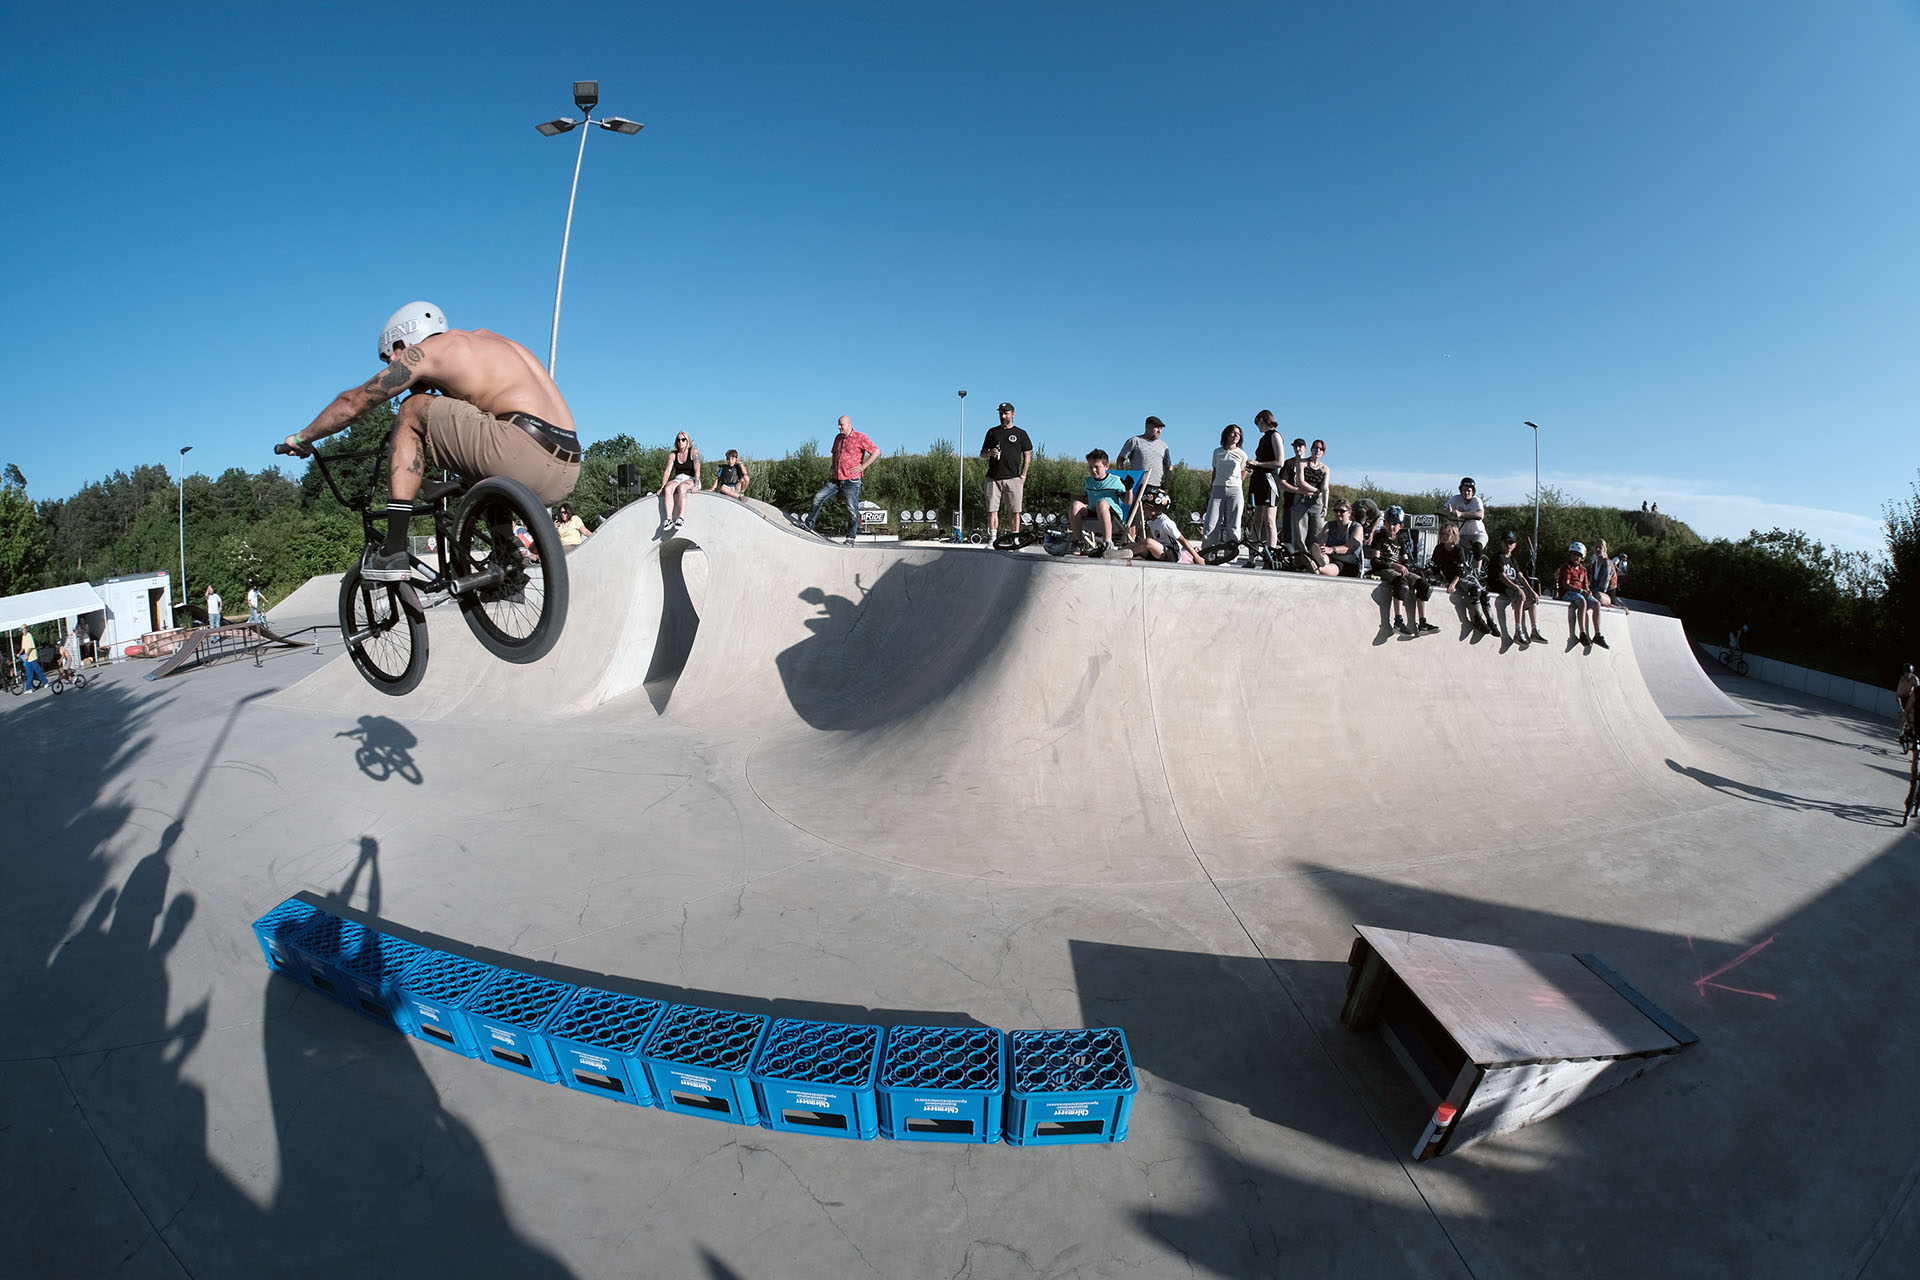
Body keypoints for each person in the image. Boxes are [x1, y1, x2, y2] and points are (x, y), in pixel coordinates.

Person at [279, 301, 580, 582]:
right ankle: (507, 558)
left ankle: (394, 548)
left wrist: (302, 437)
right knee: (473, 423)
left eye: (389, 358)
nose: (391, 364)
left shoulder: (426, 352)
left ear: (401, 343)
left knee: (412, 409)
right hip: (567, 467)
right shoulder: (493, 343)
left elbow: (351, 404)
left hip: (519, 450)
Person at [805, 415, 878, 545]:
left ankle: (851, 537)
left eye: (841, 425)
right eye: (838, 425)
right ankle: (808, 524)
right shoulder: (838, 438)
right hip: (836, 479)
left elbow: (876, 451)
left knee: (852, 510)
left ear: (849, 424)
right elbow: (835, 454)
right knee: (818, 497)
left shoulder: (860, 437)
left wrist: (863, 466)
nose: (839, 427)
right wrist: (832, 468)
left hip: (852, 480)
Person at [1369, 506, 1437, 636]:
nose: (1392, 527)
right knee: (1402, 585)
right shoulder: (1380, 537)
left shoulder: (1400, 539)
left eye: (1395, 524)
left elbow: (1406, 560)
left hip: (1397, 569)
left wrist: (1405, 566)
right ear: (1385, 523)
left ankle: (1423, 624)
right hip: (1383, 568)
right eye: (1389, 523)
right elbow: (1374, 561)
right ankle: (1398, 622)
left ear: (1400, 526)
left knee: (1424, 586)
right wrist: (1394, 565)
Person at [979, 402, 1033, 545]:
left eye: (1006, 413)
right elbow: (982, 453)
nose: (1003, 416)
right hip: (993, 478)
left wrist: (1023, 475)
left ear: (1013, 414)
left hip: (1014, 478)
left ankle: (1015, 540)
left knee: (1015, 511)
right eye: (1001, 413)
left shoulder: (1021, 433)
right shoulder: (992, 432)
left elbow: (1028, 456)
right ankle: (992, 540)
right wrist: (990, 453)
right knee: (992, 510)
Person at [1067, 449, 1134, 558]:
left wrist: (1129, 489)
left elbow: (1128, 502)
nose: (1093, 470)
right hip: (1093, 513)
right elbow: (1086, 499)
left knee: (1101, 503)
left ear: (1106, 467)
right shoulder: (1088, 481)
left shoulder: (1116, 481)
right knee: (1075, 505)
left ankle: (1107, 543)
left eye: (1097, 467)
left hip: (1112, 518)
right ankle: (1078, 541)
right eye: (1090, 467)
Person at [1431, 522, 1493, 634]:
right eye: (1442, 534)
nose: (1444, 537)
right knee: (1475, 591)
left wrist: (1453, 584)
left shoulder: (1458, 549)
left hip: (1462, 576)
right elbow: (1434, 566)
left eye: (1447, 535)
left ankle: (1490, 620)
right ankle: (1477, 619)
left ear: (1453, 536)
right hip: (1450, 577)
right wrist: (1439, 578)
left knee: (1483, 594)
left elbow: (1460, 571)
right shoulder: (1439, 549)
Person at [1488, 531, 1545, 646]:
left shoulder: (1513, 559)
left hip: (1513, 586)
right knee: (1520, 595)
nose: (1508, 545)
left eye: (1511, 543)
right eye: (1506, 542)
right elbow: (1502, 577)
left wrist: (1532, 591)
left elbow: (1521, 576)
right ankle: (1518, 631)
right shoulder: (1498, 558)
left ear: (1514, 545)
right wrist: (1518, 589)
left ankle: (1534, 630)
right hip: (1501, 585)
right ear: (1501, 543)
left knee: (1533, 599)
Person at [1244, 409, 1285, 566]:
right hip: (1258, 480)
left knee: (1269, 521)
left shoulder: (1275, 435)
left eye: (1258, 423)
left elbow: (1279, 462)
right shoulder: (1262, 439)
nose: (1258, 427)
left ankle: (1271, 557)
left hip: (1270, 481)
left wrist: (1258, 464)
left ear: (1262, 420)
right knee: (1256, 520)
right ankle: (1251, 558)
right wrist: (1253, 467)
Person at [1126, 484, 1202, 563]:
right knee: (1134, 545)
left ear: (1158, 510)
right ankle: (1120, 552)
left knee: (1148, 542)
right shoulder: (1150, 521)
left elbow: (1182, 540)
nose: (1144, 509)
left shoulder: (1165, 522)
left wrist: (1197, 557)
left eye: (1148, 507)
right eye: (1144, 506)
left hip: (1172, 554)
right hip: (1159, 552)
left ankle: (1125, 552)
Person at [1201, 425, 1248, 549]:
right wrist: (1212, 488)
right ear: (1226, 435)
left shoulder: (1242, 454)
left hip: (1235, 490)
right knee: (1211, 523)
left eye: (1239, 434)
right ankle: (1207, 553)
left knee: (1234, 524)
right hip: (1218, 488)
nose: (1236, 436)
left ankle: (1231, 554)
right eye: (1233, 433)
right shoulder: (1217, 452)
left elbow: (1243, 472)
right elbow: (1214, 471)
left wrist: (1237, 482)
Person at [1556, 542, 1610, 649]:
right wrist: (1581, 591)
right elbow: (1566, 585)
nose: (1576, 557)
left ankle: (1597, 634)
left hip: (1580, 592)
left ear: (1582, 557)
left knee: (1596, 604)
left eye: (1578, 555)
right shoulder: (1566, 568)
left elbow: (1586, 585)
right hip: (1567, 593)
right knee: (1582, 601)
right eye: (1574, 555)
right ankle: (1582, 633)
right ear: (1570, 555)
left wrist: (1588, 591)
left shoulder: (1583, 570)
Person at [1115, 415, 1171, 490]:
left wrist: (1168, 479)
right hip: (1138, 485)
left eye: (1161, 428)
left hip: (1158, 486)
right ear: (1147, 427)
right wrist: (1123, 477)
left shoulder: (1164, 445)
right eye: (1157, 428)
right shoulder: (1135, 441)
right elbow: (1120, 460)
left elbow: (1168, 466)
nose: (1159, 431)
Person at [659, 432, 701, 530]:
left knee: (682, 487)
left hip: (691, 478)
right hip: (678, 478)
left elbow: (697, 469)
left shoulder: (694, 452)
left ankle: (680, 517)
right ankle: (668, 519)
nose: (681, 442)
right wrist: (662, 487)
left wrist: (696, 484)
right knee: (668, 488)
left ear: (687, 441)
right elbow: (667, 471)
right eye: (678, 440)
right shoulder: (673, 454)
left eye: (683, 439)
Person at [1443, 478, 1488, 556]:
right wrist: (1447, 512)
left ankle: (1477, 568)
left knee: (1477, 549)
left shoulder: (1476, 501)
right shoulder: (1455, 499)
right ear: (1461, 491)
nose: (1466, 493)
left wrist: (1461, 514)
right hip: (1462, 534)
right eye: (1464, 490)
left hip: (1478, 534)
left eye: (1469, 491)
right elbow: (1442, 509)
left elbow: (1481, 514)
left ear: (1473, 492)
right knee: (1453, 548)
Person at [1321, 500, 1365, 577]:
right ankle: (1315, 565)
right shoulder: (1329, 525)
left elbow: (1351, 547)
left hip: (1349, 564)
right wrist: (1322, 549)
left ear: (1349, 513)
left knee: (1329, 566)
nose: (1338, 513)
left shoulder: (1357, 527)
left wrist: (1332, 550)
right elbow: (1321, 543)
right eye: (1336, 510)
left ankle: (1317, 569)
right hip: (1330, 558)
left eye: (1342, 511)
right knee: (1322, 558)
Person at [1588, 538, 1617, 606]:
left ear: (1604, 549)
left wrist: (1591, 592)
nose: (1598, 549)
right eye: (1596, 547)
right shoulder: (1594, 564)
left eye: (1600, 547)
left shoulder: (1608, 563)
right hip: (1595, 591)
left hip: (1606, 594)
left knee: (1598, 596)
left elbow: (1604, 587)